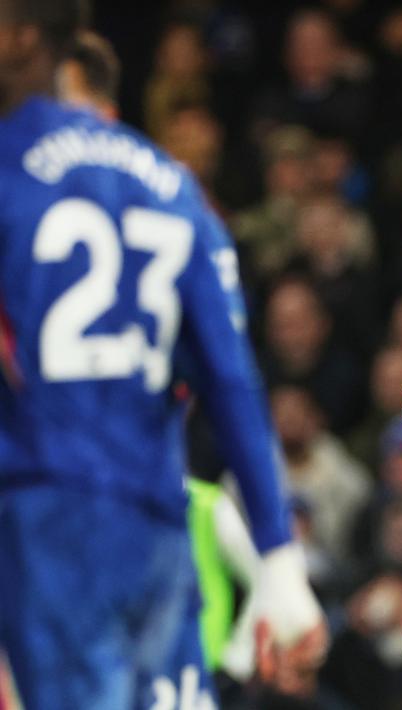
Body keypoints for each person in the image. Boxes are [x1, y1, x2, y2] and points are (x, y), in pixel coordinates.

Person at [0, 2, 325, 708]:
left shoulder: (10, 170)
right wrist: (277, 552)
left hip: (51, 512)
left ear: (24, 35)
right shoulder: (171, 184)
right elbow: (232, 376)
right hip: (157, 526)